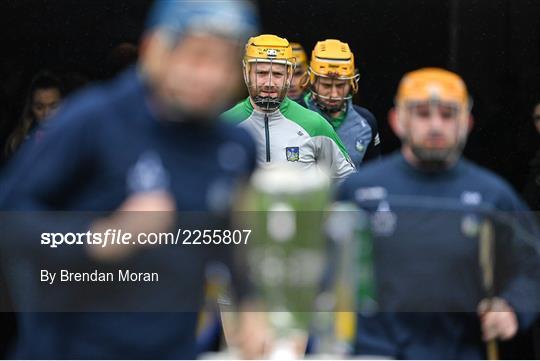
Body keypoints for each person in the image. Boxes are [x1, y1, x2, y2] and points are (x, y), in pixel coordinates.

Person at [0, 0, 265, 359]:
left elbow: (234, 239)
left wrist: (251, 303)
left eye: (226, 61)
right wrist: (97, 238)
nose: (212, 76)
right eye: (197, 57)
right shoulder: (94, 119)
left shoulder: (235, 146)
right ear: (154, 49)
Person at [336, 68, 540, 358]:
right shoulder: (359, 190)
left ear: (466, 123)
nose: (435, 126)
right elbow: (322, 270)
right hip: (373, 351)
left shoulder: (491, 195)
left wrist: (512, 307)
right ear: (398, 121)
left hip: (458, 351)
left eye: (447, 115)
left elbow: (531, 265)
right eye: (422, 114)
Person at [222, 34, 354, 181]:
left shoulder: (314, 124)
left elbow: (347, 180)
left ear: (289, 75)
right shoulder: (225, 124)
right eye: (262, 73)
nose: (269, 82)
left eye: (278, 74)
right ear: (246, 73)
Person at [302, 39, 380, 167]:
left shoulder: (366, 121)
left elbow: (373, 174)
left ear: (352, 83)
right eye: (326, 85)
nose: (334, 94)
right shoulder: (293, 115)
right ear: (312, 81)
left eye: (340, 85)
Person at [4, 70, 63, 157]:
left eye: (54, 107)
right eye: (39, 107)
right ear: (30, 107)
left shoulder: (77, 136)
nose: (47, 113)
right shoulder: (18, 142)